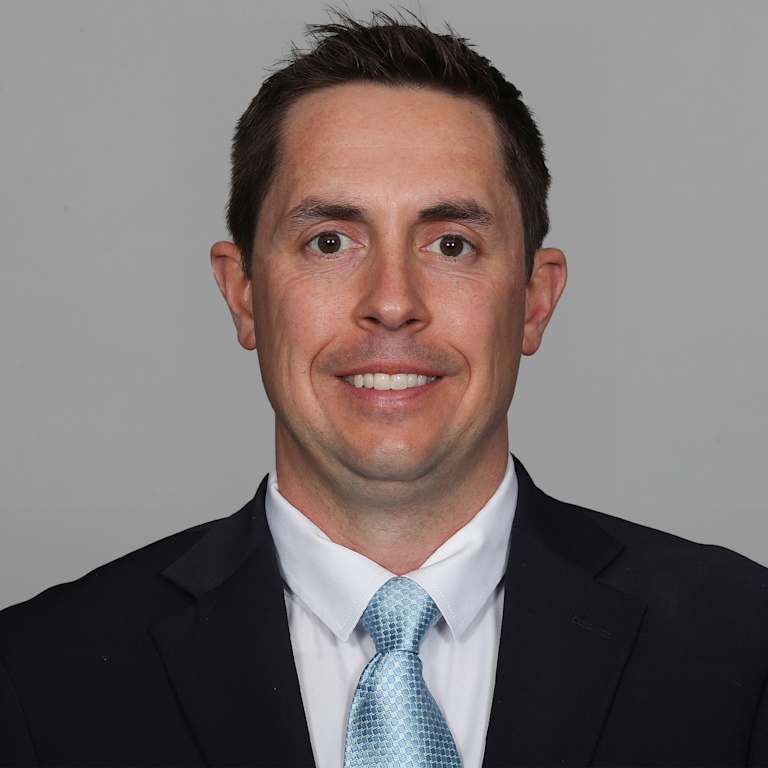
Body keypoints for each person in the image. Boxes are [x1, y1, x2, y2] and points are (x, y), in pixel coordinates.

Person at [1, 9, 767, 768]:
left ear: (534, 299)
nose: (393, 301)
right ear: (243, 295)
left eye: (451, 244)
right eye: (330, 241)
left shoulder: (744, 648)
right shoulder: (37, 677)